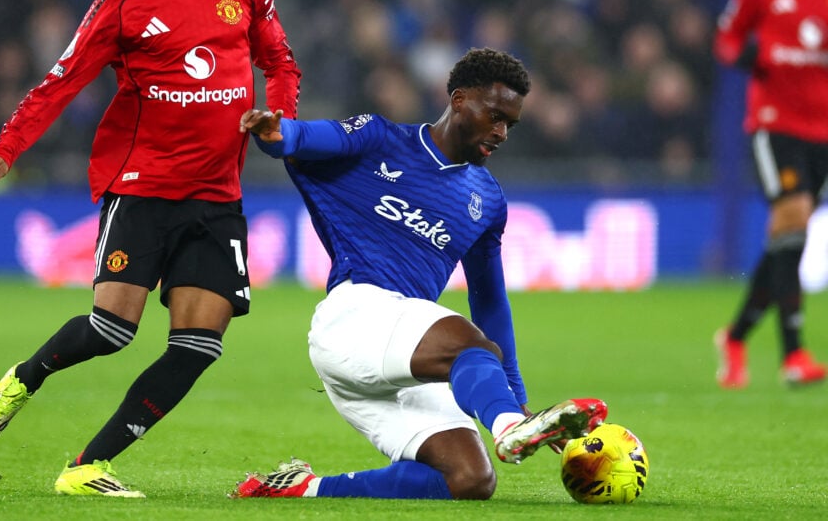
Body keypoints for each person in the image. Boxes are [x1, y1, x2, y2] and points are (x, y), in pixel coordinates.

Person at [0, 0, 301, 496]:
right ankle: (24, 379)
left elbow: (279, 59)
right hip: (142, 186)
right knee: (112, 330)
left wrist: (279, 116)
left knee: (199, 346)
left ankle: (86, 467)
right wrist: (6, 148)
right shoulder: (122, 4)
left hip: (217, 194)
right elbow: (62, 79)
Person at [231, 48, 606, 500]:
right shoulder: (380, 139)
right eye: (494, 116)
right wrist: (276, 133)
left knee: (470, 479)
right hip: (353, 320)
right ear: (459, 99)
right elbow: (303, 138)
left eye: (510, 123)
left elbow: (489, 300)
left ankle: (300, 489)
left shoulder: (486, 200)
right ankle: (510, 428)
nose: (501, 132)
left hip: (404, 354)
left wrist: (514, 396)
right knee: (466, 342)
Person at [713, 0, 828, 389]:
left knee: (788, 233)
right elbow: (727, 34)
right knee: (794, 215)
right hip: (774, 123)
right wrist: (749, 57)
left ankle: (735, 337)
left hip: (821, 130)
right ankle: (794, 354)